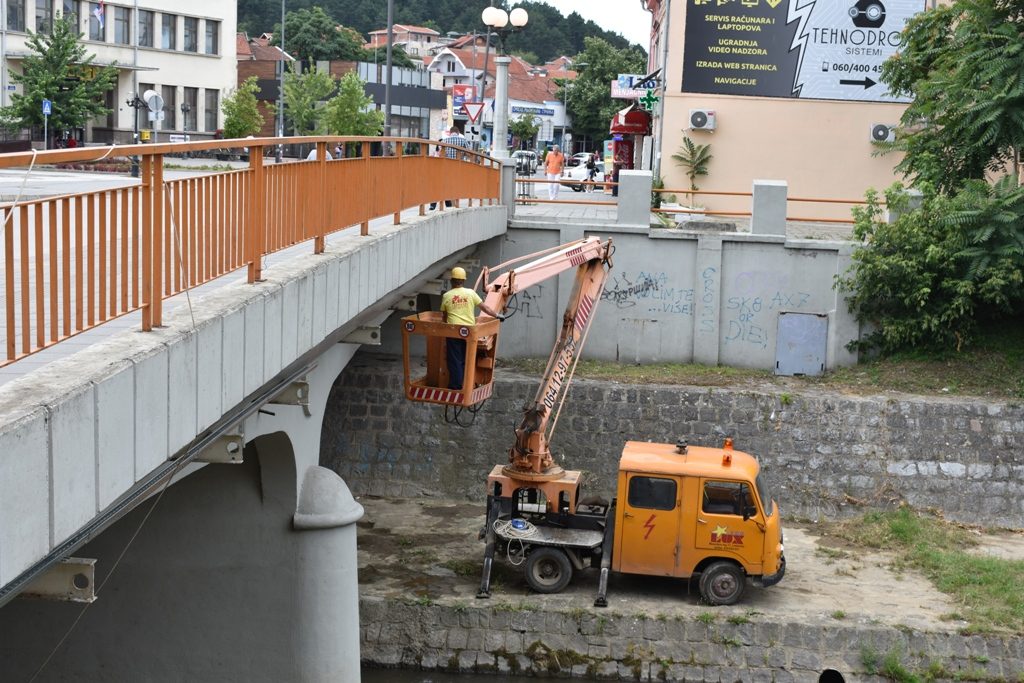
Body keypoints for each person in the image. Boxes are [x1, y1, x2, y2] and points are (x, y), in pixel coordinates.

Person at [441, 266, 505, 390]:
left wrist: (445, 328)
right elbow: (485, 308)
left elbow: (445, 316)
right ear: (463, 281)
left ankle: (456, 386)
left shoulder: (447, 296)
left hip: (454, 332)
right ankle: (468, 383)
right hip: (470, 332)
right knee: (467, 358)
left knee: (455, 359)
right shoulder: (470, 293)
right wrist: (497, 315)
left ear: (452, 281)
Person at [431, 126, 471, 210]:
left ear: (450, 132)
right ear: (458, 132)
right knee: (454, 185)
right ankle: (452, 204)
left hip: (447, 168)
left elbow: (441, 154)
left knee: (444, 185)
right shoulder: (463, 140)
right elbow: (469, 154)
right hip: (458, 168)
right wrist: (462, 153)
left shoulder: (444, 141)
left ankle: (435, 204)